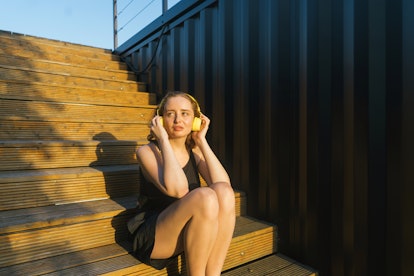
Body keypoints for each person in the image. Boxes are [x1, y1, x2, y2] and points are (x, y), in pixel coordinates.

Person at [128, 91, 236, 276]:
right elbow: (178, 190)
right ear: (160, 121)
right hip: (155, 234)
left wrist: (201, 141)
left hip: (193, 227)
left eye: (185, 113)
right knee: (205, 195)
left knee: (223, 192)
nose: (178, 119)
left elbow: (224, 186)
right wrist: (163, 140)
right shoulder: (147, 152)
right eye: (170, 114)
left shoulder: (195, 151)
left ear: (195, 120)